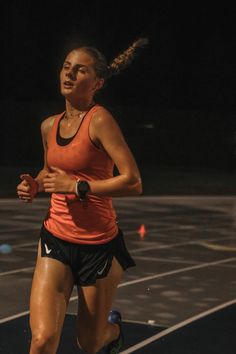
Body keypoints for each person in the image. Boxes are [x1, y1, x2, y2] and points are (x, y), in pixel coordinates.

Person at [16, 37, 148, 354]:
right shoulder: (49, 126)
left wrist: (78, 187)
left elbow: (133, 182)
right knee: (43, 340)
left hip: (98, 246)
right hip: (56, 240)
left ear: (98, 82)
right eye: (66, 67)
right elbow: (50, 172)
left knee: (88, 343)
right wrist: (34, 185)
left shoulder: (99, 120)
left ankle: (112, 330)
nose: (69, 74)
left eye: (80, 70)